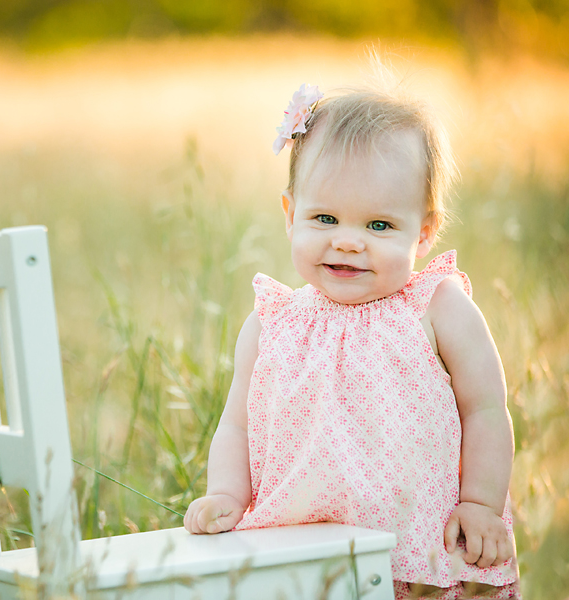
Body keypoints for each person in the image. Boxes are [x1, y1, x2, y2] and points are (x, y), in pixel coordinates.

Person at [183, 81, 520, 599]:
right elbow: (237, 424)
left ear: (424, 233)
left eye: (380, 224)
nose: (347, 240)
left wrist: (480, 503)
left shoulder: (437, 308)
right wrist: (226, 492)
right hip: (300, 555)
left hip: (422, 552)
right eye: (325, 218)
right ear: (290, 214)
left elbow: (486, 410)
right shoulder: (272, 324)